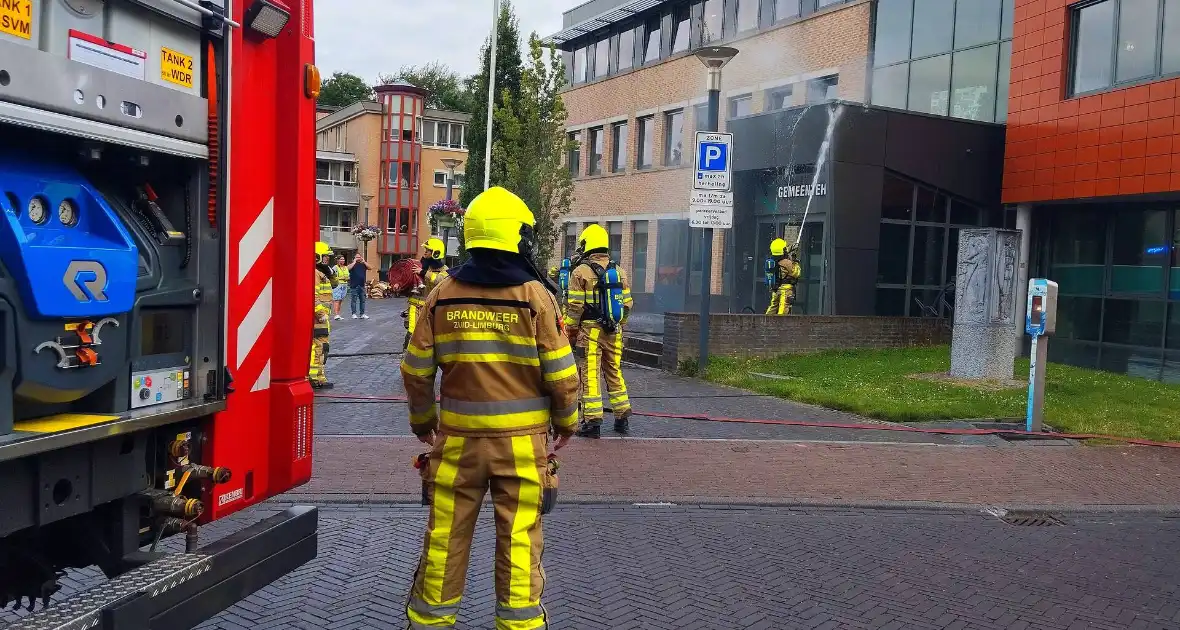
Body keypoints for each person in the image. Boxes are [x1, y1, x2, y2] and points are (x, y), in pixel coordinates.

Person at [401, 186, 579, 630]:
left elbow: (415, 368)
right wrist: (568, 421)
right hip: (521, 449)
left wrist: (424, 421)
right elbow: (561, 374)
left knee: (444, 541)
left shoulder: (443, 294)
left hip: (456, 444)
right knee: (520, 544)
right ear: (515, 237)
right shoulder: (535, 296)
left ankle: (429, 624)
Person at [565, 224, 633, 438]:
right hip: (614, 330)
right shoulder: (619, 271)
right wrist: (619, 326)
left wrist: (570, 329)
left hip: (590, 332)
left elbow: (575, 307)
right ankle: (622, 418)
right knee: (614, 371)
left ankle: (592, 422)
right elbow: (628, 304)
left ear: (587, 244)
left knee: (590, 374)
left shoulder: (580, 272)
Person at [404, 237, 450, 349]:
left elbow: (440, 280)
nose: (425, 252)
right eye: (425, 249)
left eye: (428, 250)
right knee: (411, 332)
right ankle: (407, 355)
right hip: (415, 307)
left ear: (436, 253)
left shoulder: (444, 270)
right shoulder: (421, 266)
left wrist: (424, 273)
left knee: (430, 335)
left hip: (432, 309)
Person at [310, 242, 335, 389]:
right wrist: (320, 314)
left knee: (323, 347)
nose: (327, 260)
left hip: (323, 318)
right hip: (318, 318)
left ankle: (320, 377)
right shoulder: (314, 273)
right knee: (318, 347)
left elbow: (336, 284)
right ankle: (314, 378)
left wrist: (330, 272)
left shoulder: (322, 272)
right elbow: (313, 296)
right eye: (325, 257)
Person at [765, 238, 801, 316]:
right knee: (783, 309)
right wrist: (795, 262)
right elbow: (796, 273)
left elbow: (781, 250)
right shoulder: (786, 262)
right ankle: (780, 326)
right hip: (786, 289)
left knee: (773, 307)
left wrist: (791, 248)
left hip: (776, 288)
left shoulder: (772, 260)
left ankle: (765, 323)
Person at [348, 253, 373, 319]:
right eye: (357, 257)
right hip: (354, 285)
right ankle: (354, 314)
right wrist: (354, 262)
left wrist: (364, 261)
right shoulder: (352, 265)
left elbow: (370, 268)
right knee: (354, 300)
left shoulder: (363, 264)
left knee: (363, 300)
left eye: (359, 257)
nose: (358, 258)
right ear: (354, 258)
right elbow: (348, 268)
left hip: (362, 285)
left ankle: (362, 314)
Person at [331, 255, 349, 320]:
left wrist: (347, 278)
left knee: (340, 300)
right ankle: (336, 315)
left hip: (345, 285)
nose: (343, 260)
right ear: (338, 260)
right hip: (338, 285)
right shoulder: (335, 267)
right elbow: (332, 277)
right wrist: (342, 278)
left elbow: (347, 275)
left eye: (343, 259)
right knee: (337, 300)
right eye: (341, 259)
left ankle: (338, 314)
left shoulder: (346, 267)